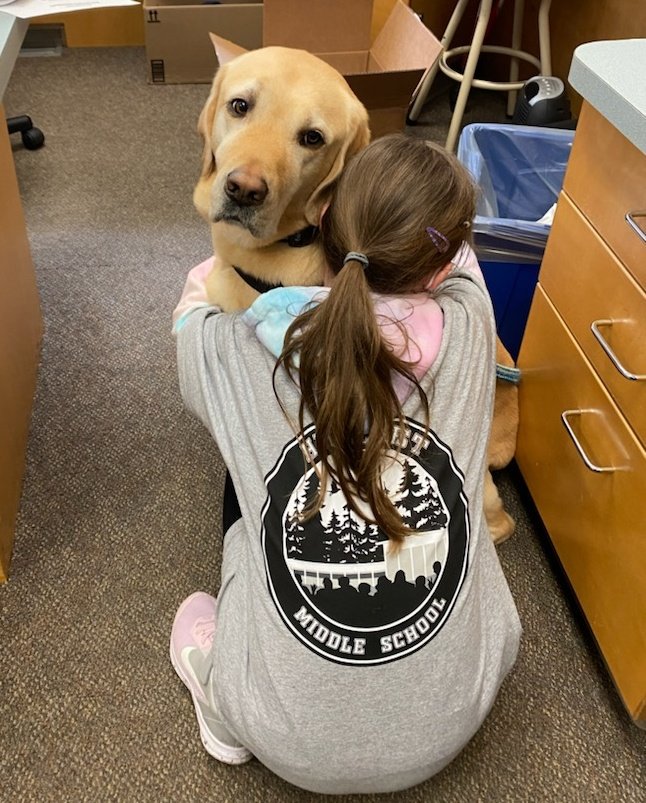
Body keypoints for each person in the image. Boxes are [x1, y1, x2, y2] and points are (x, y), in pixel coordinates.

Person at [171, 134, 521, 795]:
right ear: (444, 260)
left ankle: (223, 704)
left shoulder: (236, 352)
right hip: (455, 716)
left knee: (240, 505)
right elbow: (457, 259)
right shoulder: (472, 321)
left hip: (281, 734)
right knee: (469, 535)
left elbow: (198, 299)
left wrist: (270, 243)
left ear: (323, 226)